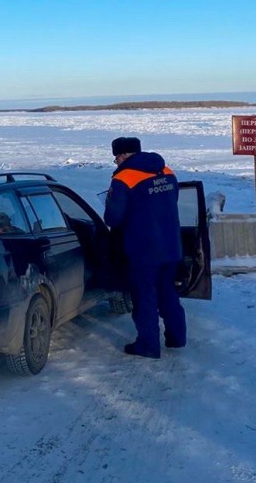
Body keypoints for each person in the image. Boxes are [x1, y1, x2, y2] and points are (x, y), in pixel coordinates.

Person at [104, 136, 186, 359]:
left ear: (121, 155)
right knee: (168, 291)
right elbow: (173, 200)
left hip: (143, 250)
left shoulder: (123, 178)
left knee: (145, 297)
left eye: (116, 158)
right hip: (171, 246)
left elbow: (113, 217)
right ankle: (177, 338)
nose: (116, 163)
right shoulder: (167, 171)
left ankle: (148, 345)